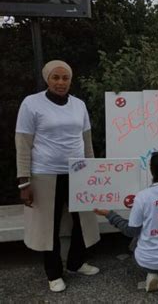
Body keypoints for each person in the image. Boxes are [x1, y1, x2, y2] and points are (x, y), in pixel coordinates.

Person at [15, 60, 100, 292]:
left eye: (65, 78)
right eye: (56, 77)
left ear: (70, 80)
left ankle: (76, 262)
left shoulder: (79, 105)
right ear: (47, 79)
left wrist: (92, 173)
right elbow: (23, 143)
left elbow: (87, 141)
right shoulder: (31, 104)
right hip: (45, 174)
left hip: (78, 172)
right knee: (48, 226)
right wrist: (24, 181)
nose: (61, 82)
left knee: (81, 221)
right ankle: (53, 274)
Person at [94, 152, 158, 292]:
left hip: (148, 261)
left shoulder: (142, 197)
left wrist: (109, 214)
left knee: (136, 238)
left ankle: (152, 274)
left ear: (151, 170)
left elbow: (131, 231)